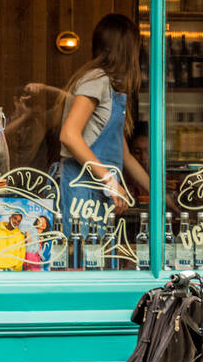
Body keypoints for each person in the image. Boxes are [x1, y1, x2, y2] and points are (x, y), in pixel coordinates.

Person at [58, 14, 151, 239]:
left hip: (97, 192)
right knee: (83, 263)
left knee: (97, 261)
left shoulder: (112, 88)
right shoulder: (97, 80)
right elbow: (69, 135)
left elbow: (125, 157)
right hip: (82, 191)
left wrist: (159, 196)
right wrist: (109, 181)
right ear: (128, 50)